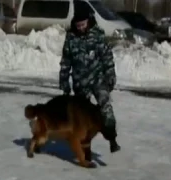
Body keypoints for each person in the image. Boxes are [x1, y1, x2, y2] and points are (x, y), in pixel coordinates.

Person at [58, 7, 121, 153]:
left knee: (105, 107)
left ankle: (112, 139)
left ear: (88, 21)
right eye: (78, 25)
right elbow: (66, 61)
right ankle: (85, 147)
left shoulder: (97, 35)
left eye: (83, 24)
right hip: (80, 83)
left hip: (98, 79)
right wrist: (64, 82)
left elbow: (107, 57)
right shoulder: (71, 37)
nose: (81, 28)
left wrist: (110, 74)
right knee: (82, 116)